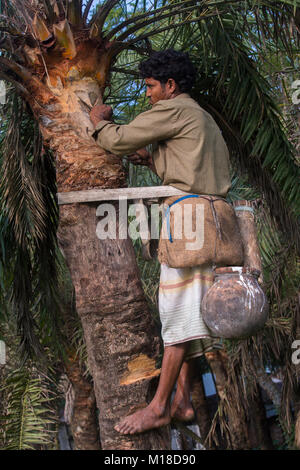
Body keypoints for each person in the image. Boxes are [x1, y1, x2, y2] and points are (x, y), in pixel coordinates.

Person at [90, 49, 231, 435]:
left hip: (187, 224)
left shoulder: (172, 109)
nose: (147, 94)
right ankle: (184, 401)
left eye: (151, 86)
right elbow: (193, 166)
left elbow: (116, 140)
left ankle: (158, 407)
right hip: (213, 222)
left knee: (175, 316)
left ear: (170, 86)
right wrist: (153, 161)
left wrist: (98, 122)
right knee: (191, 316)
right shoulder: (200, 116)